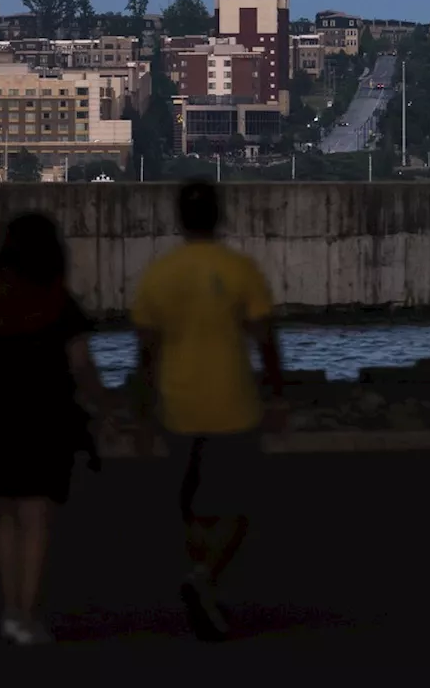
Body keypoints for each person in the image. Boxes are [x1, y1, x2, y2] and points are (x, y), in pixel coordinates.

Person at [0, 213, 109, 645]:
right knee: (36, 517)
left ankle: (11, 610)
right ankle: (28, 615)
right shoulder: (59, 304)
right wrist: (105, 408)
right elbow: (81, 365)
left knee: (5, 515)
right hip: (46, 420)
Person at [131, 179, 285, 643]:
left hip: (177, 404)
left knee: (189, 506)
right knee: (240, 505)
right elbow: (265, 341)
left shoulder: (159, 274)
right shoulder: (239, 269)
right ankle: (205, 579)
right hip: (232, 403)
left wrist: (140, 411)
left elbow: (145, 354)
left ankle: (202, 578)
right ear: (219, 216)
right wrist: (277, 395)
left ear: (179, 218)